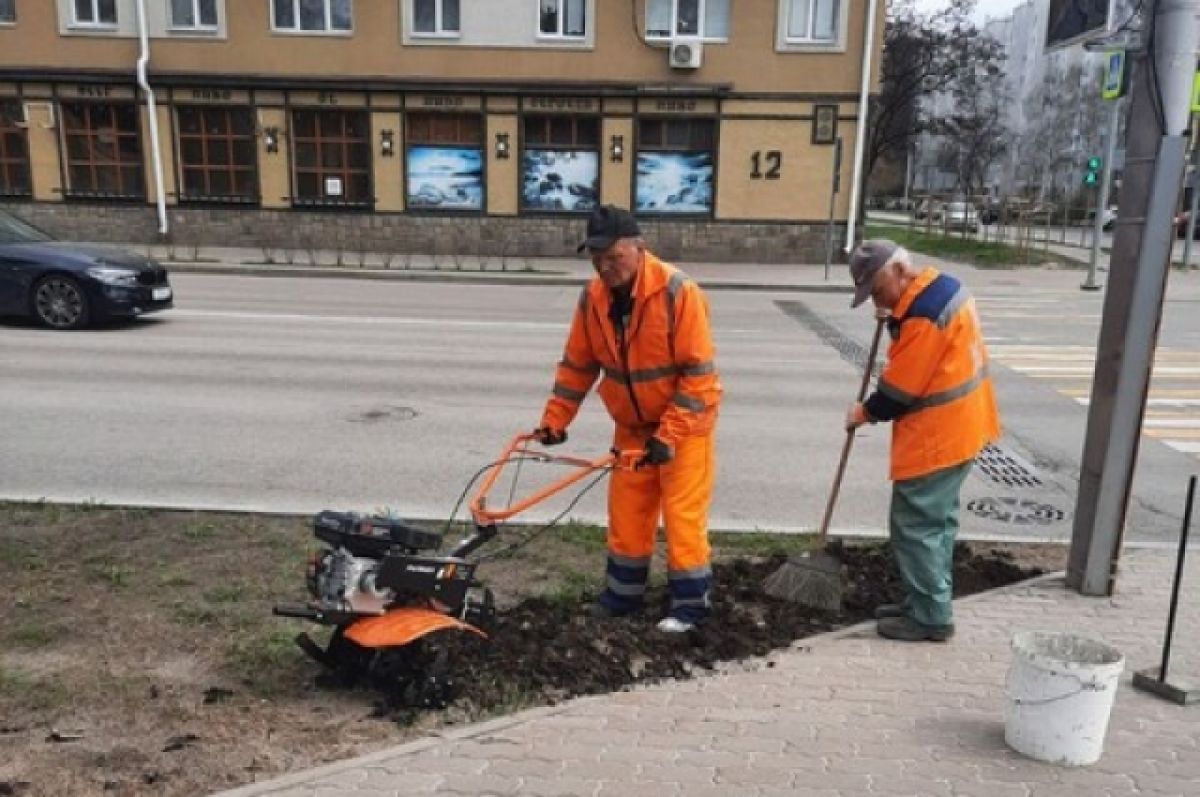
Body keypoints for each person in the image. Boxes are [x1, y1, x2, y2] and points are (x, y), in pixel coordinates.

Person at [534, 204, 722, 633]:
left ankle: (691, 606)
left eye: (614, 258)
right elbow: (577, 367)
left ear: (639, 248)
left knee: (682, 516)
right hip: (633, 427)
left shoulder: (678, 292)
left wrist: (670, 434)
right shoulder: (593, 298)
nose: (605, 267)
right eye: (597, 259)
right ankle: (623, 597)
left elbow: (698, 376)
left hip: (685, 427)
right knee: (628, 513)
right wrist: (555, 420)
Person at [844, 240, 1000, 642]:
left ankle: (930, 616)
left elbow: (898, 391)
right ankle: (924, 599)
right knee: (938, 523)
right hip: (965, 425)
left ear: (898, 272)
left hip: (938, 437)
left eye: (878, 291)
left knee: (915, 526)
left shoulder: (925, 316)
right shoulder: (940, 288)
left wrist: (862, 413)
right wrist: (894, 316)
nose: (880, 300)